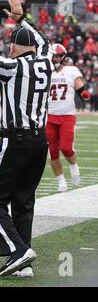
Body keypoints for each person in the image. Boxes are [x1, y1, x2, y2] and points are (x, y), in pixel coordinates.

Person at [0, 0, 54, 277]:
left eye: (12, 43)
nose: (10, 48)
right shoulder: (47, 62)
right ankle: (22, 261)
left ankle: (18, 250)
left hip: (15, 140)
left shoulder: (13, 67)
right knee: (24, 200)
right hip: (40, 142)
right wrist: (22, 19)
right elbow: (45, 44)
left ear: (16, 46)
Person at [47, 43, 91, 192]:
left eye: (57, 56)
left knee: (66, 148)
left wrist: (84, 94)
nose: (55, 58)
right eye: (53, 56)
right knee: (52, 151)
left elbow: (81, 89)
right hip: (49, 116)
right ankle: (61, 181)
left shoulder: (71, 71)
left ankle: (73, 165)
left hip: (66, 115)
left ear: (63, 57)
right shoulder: (45, 71)